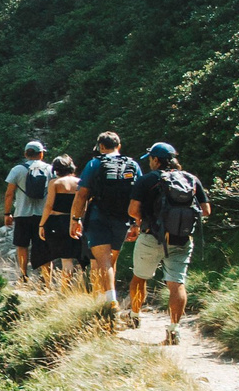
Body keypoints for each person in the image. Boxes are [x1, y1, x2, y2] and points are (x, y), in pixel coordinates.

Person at [130, 141, 211, 344]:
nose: (149, 162)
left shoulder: (147, 180)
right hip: (181, 239)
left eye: (150, 159)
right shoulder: (191, 179)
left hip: (151, 236)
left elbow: (132, 210)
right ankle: (174, 330)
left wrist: (143, 219)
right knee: (177, 284)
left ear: (156, 160)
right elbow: (206, 211)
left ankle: (134, 316)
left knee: (140, 278)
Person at [69, 131, 143, 313]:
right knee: (110, 262)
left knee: (103, 261)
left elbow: (82, 194)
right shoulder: (132, 164)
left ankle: (110, 301)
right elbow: (139, 196)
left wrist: (75, 219)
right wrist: (136, 223)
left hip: (98, 217)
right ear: (119, 146)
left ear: (101, 147)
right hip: (123, 219)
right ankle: (103, 300)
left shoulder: (95, 163)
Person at [1, 140, 54, 281]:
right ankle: (46, 278)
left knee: (22, 245)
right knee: (43, 246)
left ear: (26, 154)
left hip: (22, 214)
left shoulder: (17, 169)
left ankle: (23, 275)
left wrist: (7, 213)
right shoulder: (50, 169)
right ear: (41, 154)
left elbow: (9, 194)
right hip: (43, 216)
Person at [38, 159, 83, 285]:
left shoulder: (55, 183)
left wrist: (42, 224)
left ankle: (61, 288)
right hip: (74, 221)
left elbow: (49, 205)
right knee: (72, 257)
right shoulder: (79, 182)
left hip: (57, 221)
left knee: (63, 257)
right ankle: (71, 287)